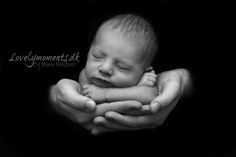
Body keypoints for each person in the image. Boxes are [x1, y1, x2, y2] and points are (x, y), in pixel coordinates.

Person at [49, 14, 193, 135]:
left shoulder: (145, 83)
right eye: (97, 56)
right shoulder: (86, 76)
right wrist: (56, 96)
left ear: (145, 71)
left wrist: (105, 94)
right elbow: (85, 99)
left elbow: (151, 97)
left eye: (122, 67)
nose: (105, 68)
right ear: (88, 52)